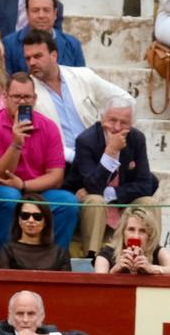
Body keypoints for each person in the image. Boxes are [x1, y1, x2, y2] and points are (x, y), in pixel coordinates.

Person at [0, 71, 79, 253]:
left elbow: (56, 176)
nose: (22, 102)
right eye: (16, 97)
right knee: (11, 198)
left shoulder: (48, 127)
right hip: (3, 187)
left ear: (34, 99)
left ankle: (53, 259)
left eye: (27, 97)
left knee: (68, 202)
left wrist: (24, 185)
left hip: (36, 189)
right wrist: (16, 144)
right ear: (5, 97)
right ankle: (1, 258)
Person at [64, 94, 159, 259]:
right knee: (95, 200)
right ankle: (92, 257)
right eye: (112, 120)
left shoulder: (137, 139)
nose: (116, 127)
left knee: (149, 202)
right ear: (102, 119)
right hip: (86, 207)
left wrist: (109, 194)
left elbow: (146, 185)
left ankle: (148, 256)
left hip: (120, 203)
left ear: (131, 125)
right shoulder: (86, 141)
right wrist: (110, 153)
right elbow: (93, 186)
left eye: (123, 123)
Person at [25, 30, 129, 164]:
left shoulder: (83, 76)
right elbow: (37, 140)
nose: (32, 62)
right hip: (61, 162)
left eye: (38, 56)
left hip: (99, 153)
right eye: (28, 58)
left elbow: (124, 99)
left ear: (54, 55)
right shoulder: (26, 92)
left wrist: (113, 131)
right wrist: (77, 159)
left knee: (148, 180)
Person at [3, 0, 84, 75]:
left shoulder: (72, 44)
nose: (41, 15)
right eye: (35, 10)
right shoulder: (9, 44)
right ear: (27, 13)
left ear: (55, 13)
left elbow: (81, 80)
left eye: (46, 10)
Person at [0, 290, 92, 335]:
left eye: (31, 314)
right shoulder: (1, 328)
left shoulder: (48, 332)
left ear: (41, 316)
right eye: (19, 314)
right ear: (10, 316)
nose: (25, 320)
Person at [94, 205, 170, 275]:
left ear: (149, 235)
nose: (136, 237)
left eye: (142, 231)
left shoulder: (156, 251)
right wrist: (114, 270)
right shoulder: (107, 253)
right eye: (131, 229)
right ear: (122, 232)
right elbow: (98, 284)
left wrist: (151, 268)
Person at [0, 196, 71, 271]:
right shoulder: (6, 251)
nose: (31, 220)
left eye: (37, 216)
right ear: (18, 219)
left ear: (46, 221)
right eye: (25, 216)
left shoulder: (60, 253)